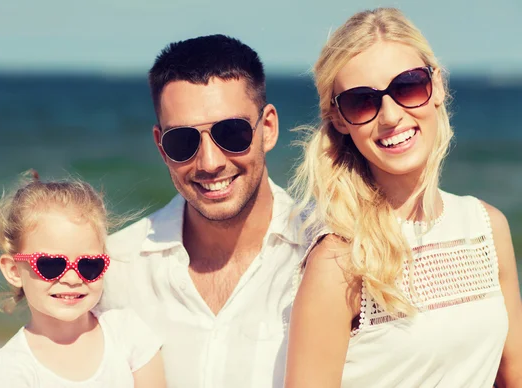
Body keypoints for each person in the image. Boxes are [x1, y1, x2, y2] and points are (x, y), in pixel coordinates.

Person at [285, 7, 522, 388]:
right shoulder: (340, 259)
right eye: (363, 101)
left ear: (438, 86)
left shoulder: (487, 227)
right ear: (340, 120)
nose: (391, 115)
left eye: (407, 86)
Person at [96, 34, 305, 388]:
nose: (209, 162)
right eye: (183, 141)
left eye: (232, 133)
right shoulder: (117, 269)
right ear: (162, 148)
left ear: (267, 128)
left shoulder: (324, 252)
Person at [0, 171, 166, 387]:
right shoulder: (12, 367)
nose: (72, 278)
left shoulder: (127, 333)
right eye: (51, 264)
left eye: (89, 264)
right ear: (14, 270)